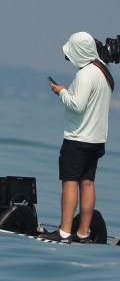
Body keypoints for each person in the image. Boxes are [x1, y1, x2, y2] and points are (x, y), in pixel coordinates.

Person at [40, 31, 113, 243]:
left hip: (78, 138)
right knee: (88, 183)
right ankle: (82, 234)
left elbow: (77, 105)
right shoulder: (105, 71)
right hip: (97, 139)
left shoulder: (85, 74)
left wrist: (61, 92)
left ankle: (64, 233)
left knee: (70, 182)